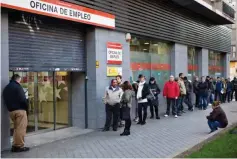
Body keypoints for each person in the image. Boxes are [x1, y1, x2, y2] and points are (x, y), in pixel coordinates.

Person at [2, 74, 30, 152]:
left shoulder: (6, 88)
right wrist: (26, 108)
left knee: (16, 129)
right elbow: (23, 99)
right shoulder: (18, 87)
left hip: (11, 111)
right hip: (20, 110)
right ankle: (19, 146)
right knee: (21, 129)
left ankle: (15, 144)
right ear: (18, 79)